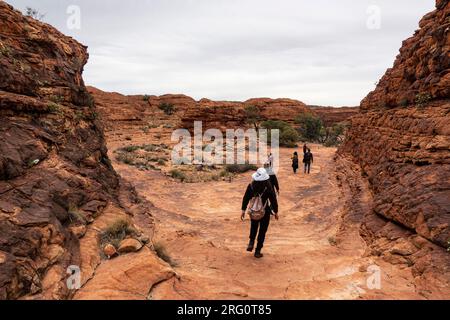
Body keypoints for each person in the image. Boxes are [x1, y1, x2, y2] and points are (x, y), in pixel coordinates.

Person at [241, 168, 279, 258]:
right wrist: (276, 212)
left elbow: (245, 198)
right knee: (262, 231)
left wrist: (243, 210)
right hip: (264, 212)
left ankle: (251, 242)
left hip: (253, 211)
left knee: (253, 226)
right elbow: (273, 199)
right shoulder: (268, 187)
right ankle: (257, 251)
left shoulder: (251, 186)